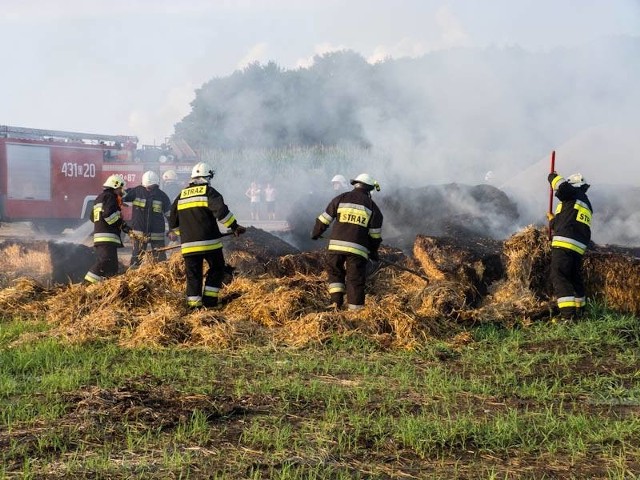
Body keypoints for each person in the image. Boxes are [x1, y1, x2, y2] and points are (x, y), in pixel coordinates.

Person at [169, 162, 246, 309]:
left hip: (188, 246)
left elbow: (172, 222)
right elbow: (222, 212)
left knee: (193, 276)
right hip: (209, 242)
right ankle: (210, 303)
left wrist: (185, 235)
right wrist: (235, 227)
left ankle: (194, 307)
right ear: (207, 177)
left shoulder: (181, 195)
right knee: (217, 268)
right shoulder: (208, 192)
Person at [311, 173, 383, 311]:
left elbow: (324, 219)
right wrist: (373, 252)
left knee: (335, 273)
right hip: (358, 250)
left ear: (356, 185)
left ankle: (335, 304)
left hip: (336, 246)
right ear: (369, 190)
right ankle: (355, 312)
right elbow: (375, 236)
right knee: (355, 279)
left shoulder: (341, 198)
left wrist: (316, 233)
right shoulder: (373, 207)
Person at [547, 171, 593, 321]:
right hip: (577, 247)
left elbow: (562, 188)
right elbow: (567, 223)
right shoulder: (584, 203)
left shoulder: (572, 193)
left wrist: (552, 177)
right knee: (574, 278)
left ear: (574, 185)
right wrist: (553, 220)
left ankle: (568, 317)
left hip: (563, 243)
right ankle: (581, 311)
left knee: (559, 276)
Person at [84, 174, 132, 284]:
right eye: (121, 188)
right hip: (107, 237)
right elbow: (109, 215)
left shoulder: (99, 198)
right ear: (115, 186)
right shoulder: (110, 197)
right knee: (104, 261)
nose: (122, 190)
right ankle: (86, 284)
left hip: (102, 237)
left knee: (112, 266)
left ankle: (111, 287)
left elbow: (92, 217)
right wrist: (123, 225)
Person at [122, 170, 172, 267]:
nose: (148, 188)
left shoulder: (162, 196)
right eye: (146, 187)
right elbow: (121, 196)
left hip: (156, 234)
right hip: (139, 233)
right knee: (136, 259)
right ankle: (133, 278)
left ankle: (160, 278)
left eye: (151, 187)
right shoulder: (136, 191)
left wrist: (171, 230)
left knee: (160, 260)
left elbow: (170, 215)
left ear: (156, 185)